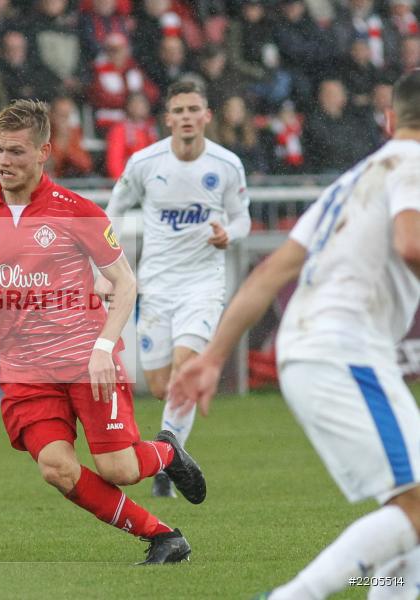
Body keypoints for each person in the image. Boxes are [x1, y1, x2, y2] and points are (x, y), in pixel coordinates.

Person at [169, 69, 420, 600]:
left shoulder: (355, 178)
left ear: (392, 117)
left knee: (407, 522)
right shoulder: (413, 164)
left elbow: (270, 272)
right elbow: (411, 244)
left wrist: (214, 356)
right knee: (416, 510)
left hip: (317, 349)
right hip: (343, 348)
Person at [0, 99, 206, 565]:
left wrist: (103, 347)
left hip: (86, 360)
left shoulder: (78, 211)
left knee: (120, 468)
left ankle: (166, 454)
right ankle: (163, 537)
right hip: (26, 372)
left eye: (16, 151)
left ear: (44, 151)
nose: (4, 161)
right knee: (56, 468)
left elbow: (125, 284)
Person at [105, 80, 251, 498]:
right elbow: (114, 210)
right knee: (159, 385)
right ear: (168, 119)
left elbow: (243, 218)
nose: (187, 117)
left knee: (187, 370)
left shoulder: (226, 165)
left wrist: (230, 234)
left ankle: (167, 463)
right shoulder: (145, 162)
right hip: (156, 285)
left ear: (207, 116)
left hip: (203, 284)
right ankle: (171, 451)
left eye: (194, 110)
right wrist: (107, 262)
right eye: (179, 110)